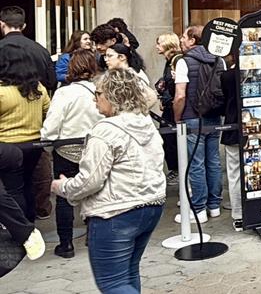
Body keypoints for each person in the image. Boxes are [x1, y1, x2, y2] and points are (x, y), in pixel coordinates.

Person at [51, 68, 166, 294]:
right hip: (150, 205)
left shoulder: (105, 131)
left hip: (116, 212)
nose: (95, 99)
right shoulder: (145, 124)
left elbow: (90, 181)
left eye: (98, 93)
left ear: (113, 95)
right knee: (128, 274)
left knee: (112, 282)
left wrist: (62, 187)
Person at [40, 49, 103, 258]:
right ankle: (93, 237)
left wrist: (48, 145)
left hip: (66, 150)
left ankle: (66, 245)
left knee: (64, 197)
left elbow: (51, 127)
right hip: (94, 149)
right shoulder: (99, 91)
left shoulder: (64, 93)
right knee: (95, 192)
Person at [172, 26, 224, 224]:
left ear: (193, 40)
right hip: (214, 117)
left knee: (196, 164)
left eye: (184, 36)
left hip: (192, 117)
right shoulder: (219, 61)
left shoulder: (184, 62)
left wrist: (178, 118)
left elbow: (180, 95)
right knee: (214, 162)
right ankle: (214, 206)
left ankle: (199, 209)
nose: (181, 40)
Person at [0, 43, 50, 221]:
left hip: (8, 146)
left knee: (12, 190)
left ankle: (21, 230)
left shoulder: (2, 92)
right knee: (27, 184)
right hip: (34, 145)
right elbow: (48, 114)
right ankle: (30, 221)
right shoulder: (39, 89)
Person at [0, 143, 45, 261]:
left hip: (10, 152)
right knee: (21, 190)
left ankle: (26, 232)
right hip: (21, 146)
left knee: (17, 191)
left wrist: (24, 231)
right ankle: (25, 230)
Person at [0, 6, 57, 93]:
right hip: (36, 102)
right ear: (24, 26)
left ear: (2, 24)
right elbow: (51, 83)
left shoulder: (2, 46)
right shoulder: (41, 50)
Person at [154, 33, 182, 185]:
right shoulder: (168, 62)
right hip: (169, 104)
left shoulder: (177, 60)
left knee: (171, 139)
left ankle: (177, 170)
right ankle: (175, 169)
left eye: (159, 43)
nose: (156, 46)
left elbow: (176, 85)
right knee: (167, 138)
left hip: (174, 107)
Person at [220, 55, 242, 231]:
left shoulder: (226, 76)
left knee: (234, 172)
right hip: (253, 129)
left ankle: (238, 213)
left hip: (232, 126)